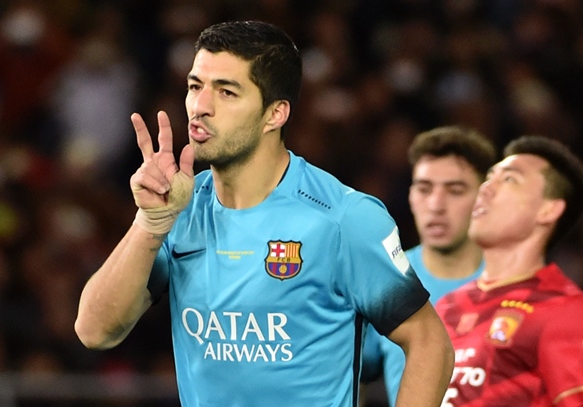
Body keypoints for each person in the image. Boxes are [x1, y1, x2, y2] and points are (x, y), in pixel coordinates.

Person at [74, 20, 454, 407]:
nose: (200, 107)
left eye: (226, 92)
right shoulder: (180, 209)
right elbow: (95, 331)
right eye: (195, 86)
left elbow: (429, 341)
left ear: (276, 114)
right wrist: (149, 223)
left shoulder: (343, 218)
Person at [436, 135, 583, 406]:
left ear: (549, 210)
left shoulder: (565, 311)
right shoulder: (446, 308)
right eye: (489, 177)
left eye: (509, 179)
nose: (486, 188)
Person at [361, 126, 497, 407]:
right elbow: (351, 376)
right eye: (424, 189)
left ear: (484, 199)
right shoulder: (382, 281)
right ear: (410, 196)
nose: (436, 204)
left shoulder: (519, 285)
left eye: (455, 190)